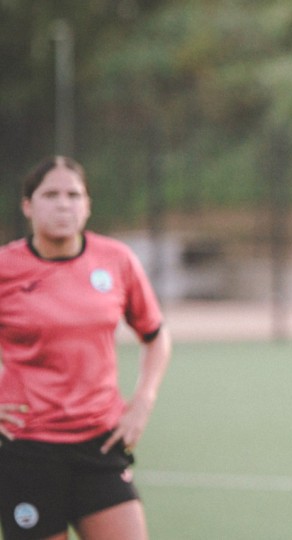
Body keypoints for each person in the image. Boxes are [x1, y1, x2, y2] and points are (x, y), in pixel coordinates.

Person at [0, 156, 171, 540]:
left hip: (101, 442)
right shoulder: (5, 267)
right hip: (28, 448)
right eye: (51, 195)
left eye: (74, 195)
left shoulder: (116, 261)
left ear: (88, 205)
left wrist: (142, 401)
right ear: (28, 205)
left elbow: (156, 336)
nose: (64, 204)